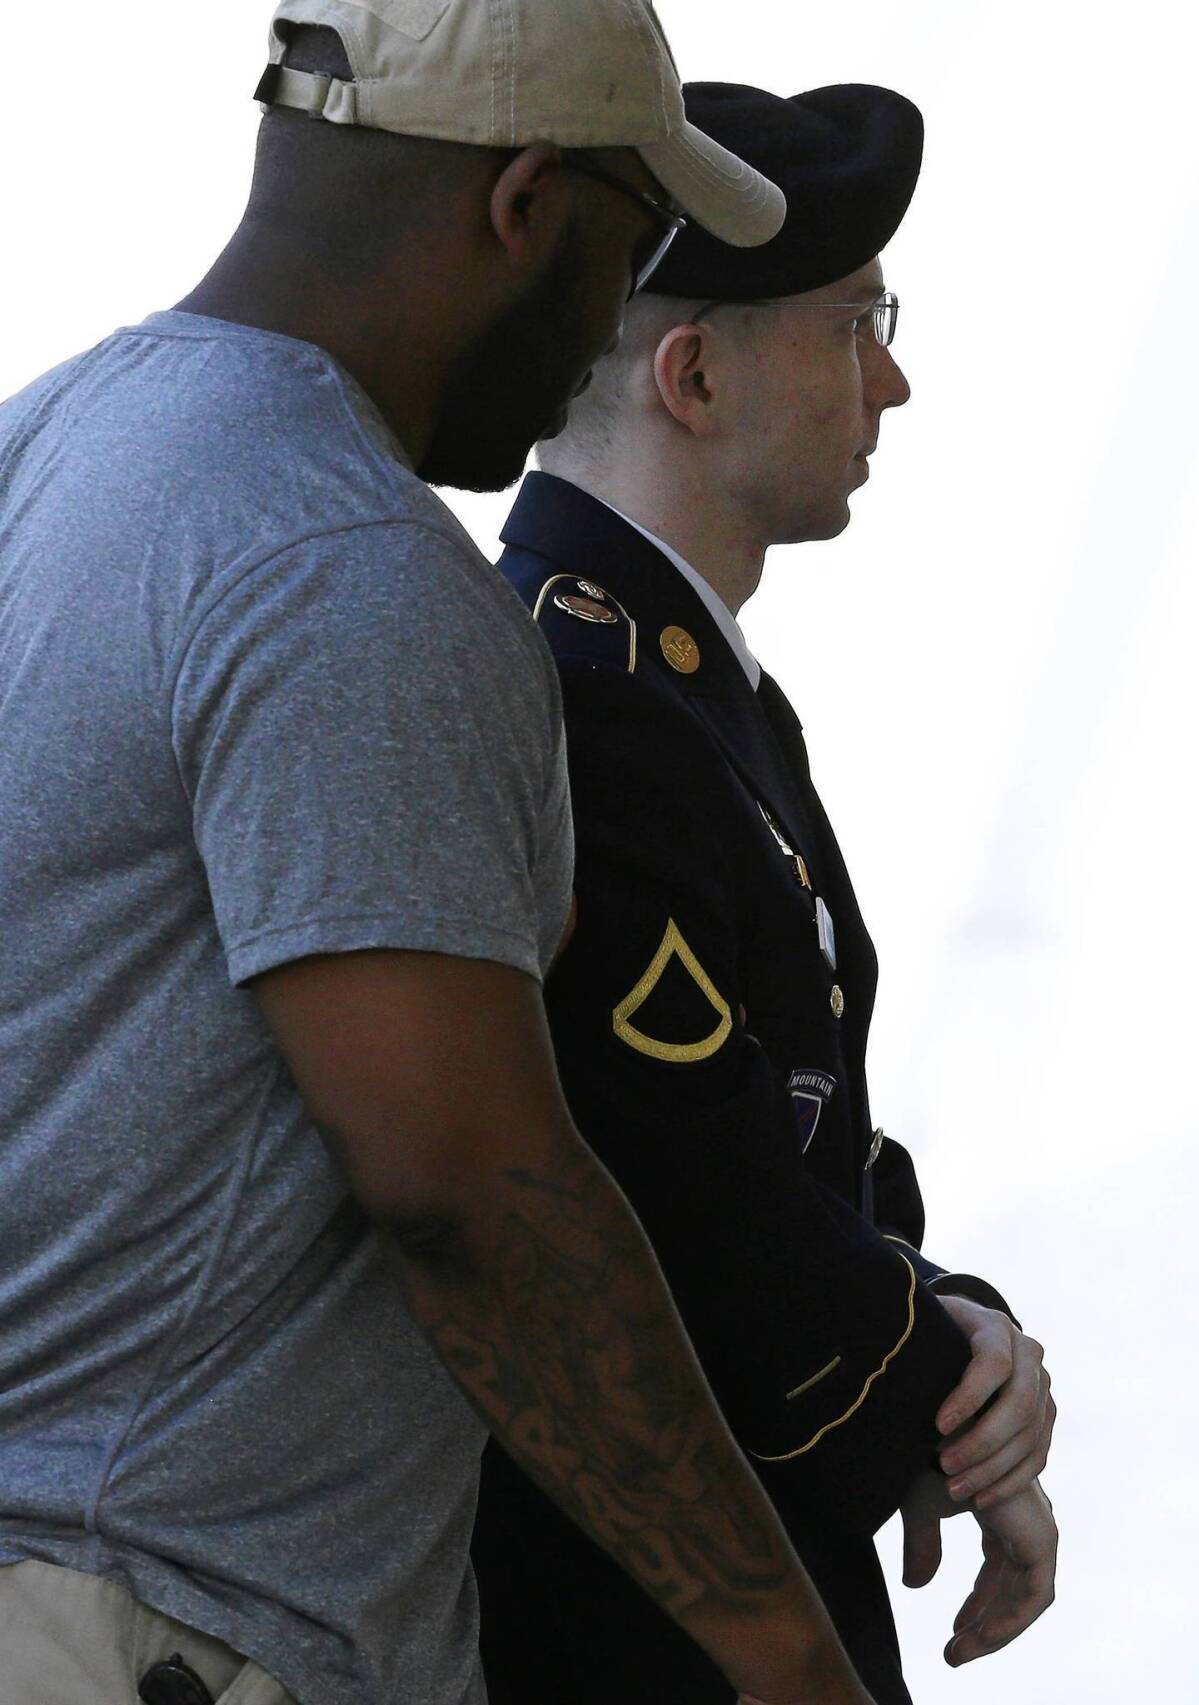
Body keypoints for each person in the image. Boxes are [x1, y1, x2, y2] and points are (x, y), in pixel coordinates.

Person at [0, 7, 900, 1702]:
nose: (603, 331)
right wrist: (790, 1659)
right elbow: (477, 1195)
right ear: (526, 202)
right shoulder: (343, 556)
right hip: (165, 1618)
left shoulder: (55, 441)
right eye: (622, 248)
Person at [473, 82, 1058, 1705]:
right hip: (637, 1626)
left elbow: (796, 1136)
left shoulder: (681, 685)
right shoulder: (593, 700)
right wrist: (962, 1382)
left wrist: (948, 1314)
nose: (896, 378)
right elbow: (687, 1211)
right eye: (859, 322)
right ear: (695, 371)